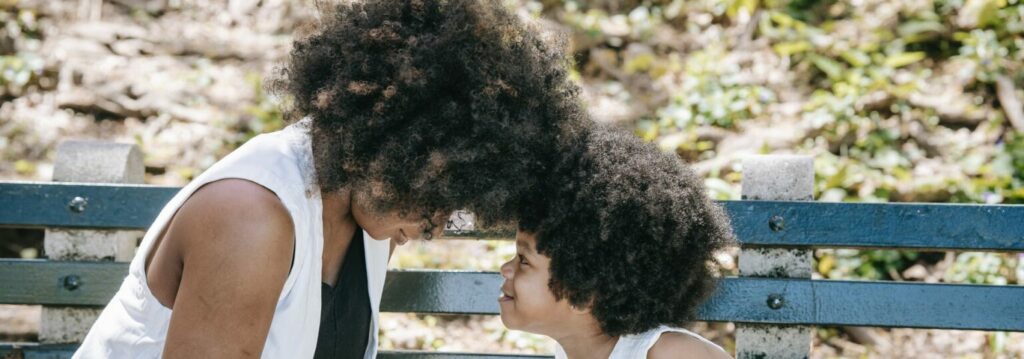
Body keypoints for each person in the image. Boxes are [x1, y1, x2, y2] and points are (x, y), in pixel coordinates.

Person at [75, 0, 586, 357]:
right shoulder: (248, 218)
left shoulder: (370, 201)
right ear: (399, 144)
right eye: (437, 204)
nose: (436, 228)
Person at [501, 127, 735, 358]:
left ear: (582, 293)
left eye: (524, 260)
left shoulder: (671, 353)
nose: (505, 269)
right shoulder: (571, 353)